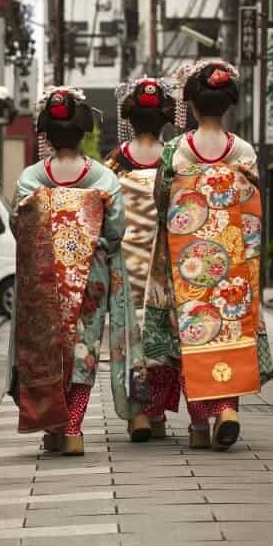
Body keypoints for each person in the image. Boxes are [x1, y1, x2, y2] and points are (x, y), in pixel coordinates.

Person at [142, 61, 273, 451]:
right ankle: (228, 412)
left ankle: (200, 425)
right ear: (227, 104)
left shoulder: (175, 151)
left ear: (193, 106)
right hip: (232, 258)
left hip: (186, 258)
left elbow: (161, 201)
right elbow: (253, 209)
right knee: (229, 327)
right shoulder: (245, 152)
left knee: (193, 333)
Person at [8, 86, 148, 456]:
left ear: (46, 135)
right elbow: (116, 231)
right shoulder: (102, 179)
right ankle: (72, 428)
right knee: (84, 348)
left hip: (43, 277)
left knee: (45, 349)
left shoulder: (29, 179)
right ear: (84, 131)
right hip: (92, 272)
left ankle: (54, 424)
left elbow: (18, 227)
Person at [105, 76, 184, 442]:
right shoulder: (175, 158)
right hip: (163, 260)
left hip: (126, 260)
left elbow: (105, 213)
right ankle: (155, 415)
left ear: (130, 118)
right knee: (163, 335)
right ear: (166, 118)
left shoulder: (115, 162)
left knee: (129, 333)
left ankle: (136, 413)